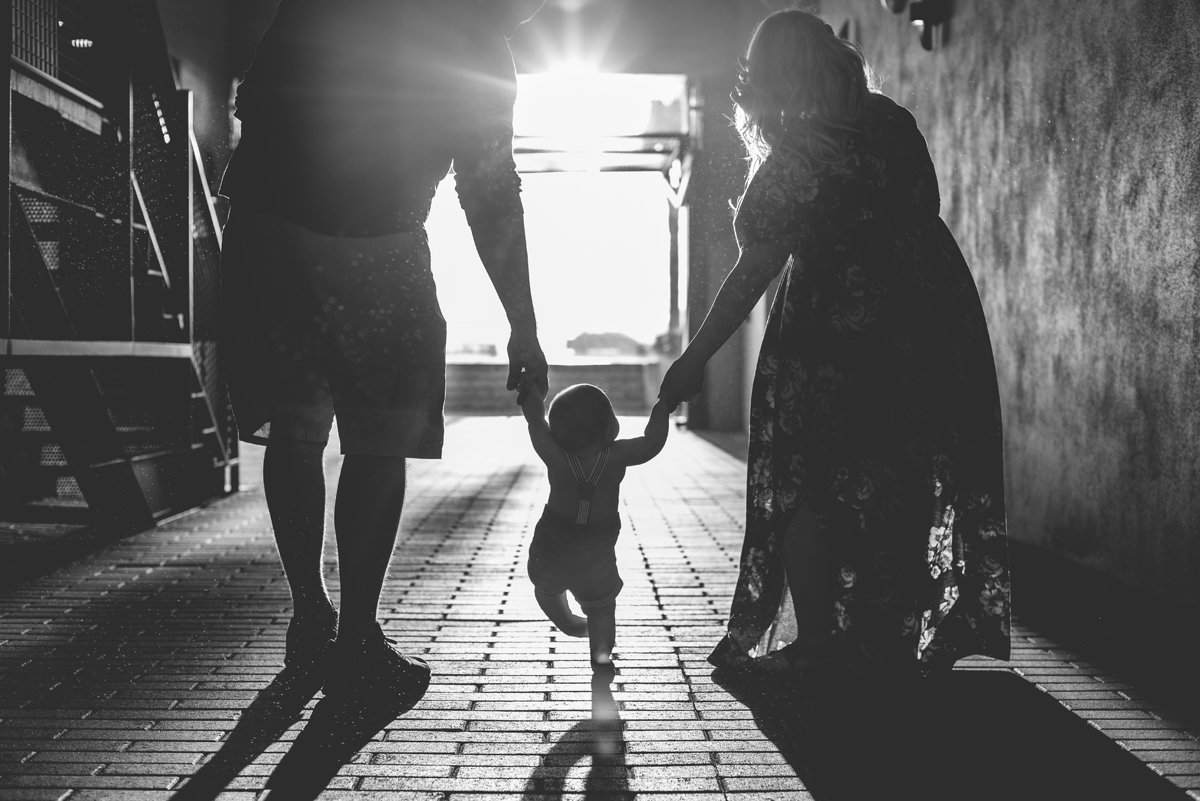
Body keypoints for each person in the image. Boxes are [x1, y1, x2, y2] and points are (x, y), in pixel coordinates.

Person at [658, 9, 1010, 677]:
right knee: (900, 476)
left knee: (806, 482)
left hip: (830, 343)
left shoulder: (802, 153)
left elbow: (752, 271)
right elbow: (923, 208)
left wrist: (694, 358)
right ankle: (887, 638)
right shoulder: (892, 123)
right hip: (923, 331)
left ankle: (819, 641)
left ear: (774, 77)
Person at [218, 0, 548, 703]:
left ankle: (310, 613)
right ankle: (357, 639)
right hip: (373, 236)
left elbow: (255, 96)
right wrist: (523, 322)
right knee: (381, 434)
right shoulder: (478, 42)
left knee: (298, 426)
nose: (535, 13)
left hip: (262, 227)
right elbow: (489, 191)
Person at [521, 383, 671, 678]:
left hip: (553, 543)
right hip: (596, 550)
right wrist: (664, 406)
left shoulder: (556, 457)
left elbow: (534, 422)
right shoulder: (618, 455)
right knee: (602, 608)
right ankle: (601, 657)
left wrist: (532, 394)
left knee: (546, 588)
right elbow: (652, 442)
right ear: (611, 428)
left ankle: (566, 622)